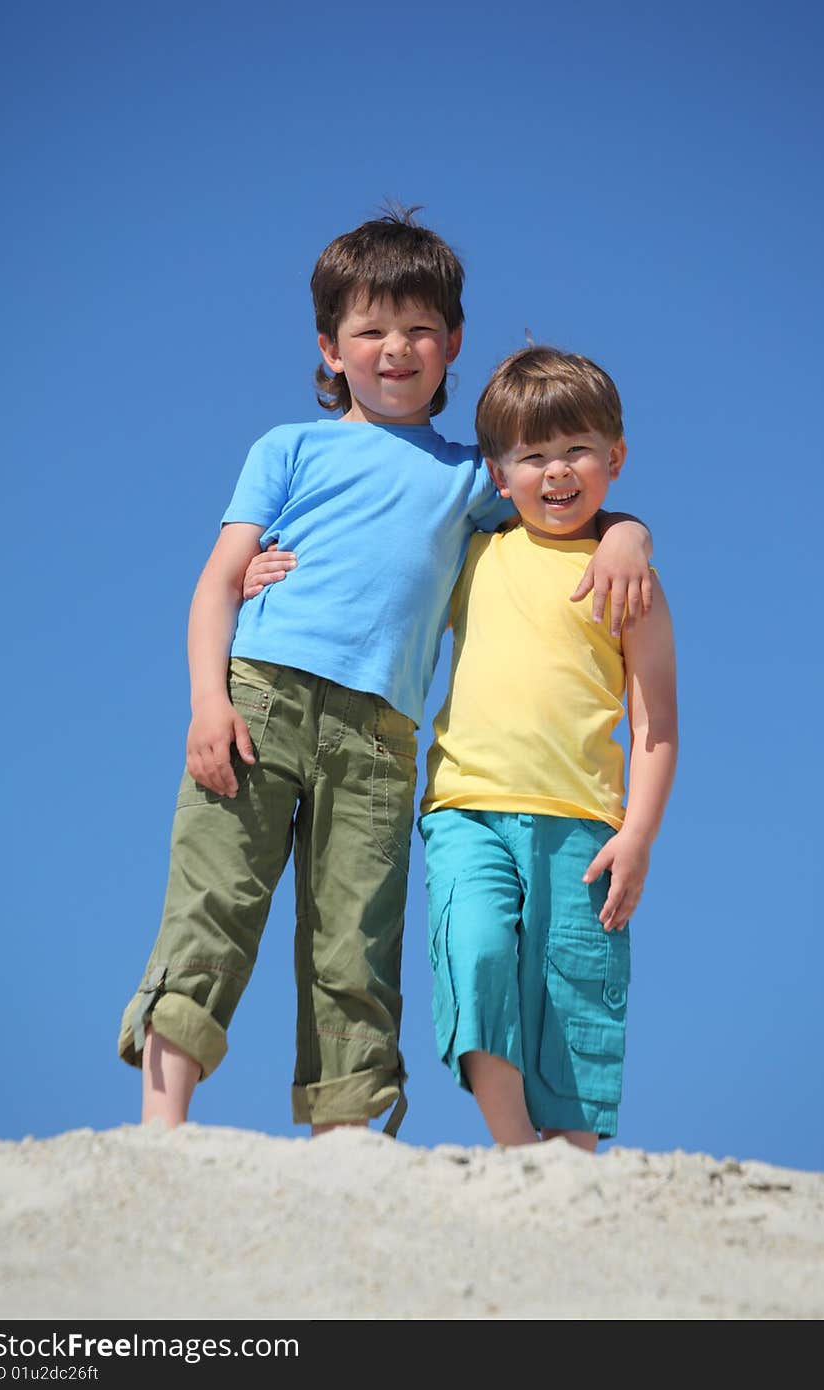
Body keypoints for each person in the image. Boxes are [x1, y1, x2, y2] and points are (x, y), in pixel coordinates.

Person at [118, 207, 654, 1139]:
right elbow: (215, 585)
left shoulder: (469, 478)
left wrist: (631, 532)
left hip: (378, 740)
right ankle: (161, 1126)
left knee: (356, 941)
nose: (394, 348)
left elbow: (558, 491)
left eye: (418, 330)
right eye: (369, 330)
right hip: (259, 700)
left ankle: (346, 1138)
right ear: (330, 348)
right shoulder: (287, 449)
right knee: (213, 901)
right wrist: (208, 698)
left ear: (451, 346)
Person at [417, 346, 678, 1149]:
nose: (556, 471)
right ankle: (512, 1148)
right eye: (532, 456)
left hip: (585, 828)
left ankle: (566, 1174)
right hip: (469, 808)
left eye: (576, 450)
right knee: (478, 950)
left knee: (574, 1002)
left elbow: (656, 722)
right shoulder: (476, 552)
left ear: (615, 458)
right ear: (499, 474)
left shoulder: (630, 579)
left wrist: (637, 835)